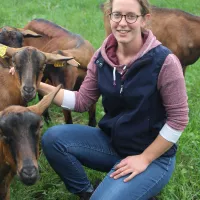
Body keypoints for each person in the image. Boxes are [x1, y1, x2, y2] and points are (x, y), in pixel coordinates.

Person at [38, 0, 189, 199]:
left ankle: (138, 184)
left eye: (131, 16)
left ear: (145, 20)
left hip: (154, 158)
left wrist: (144, 158)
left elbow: (178, 120)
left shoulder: (164, 62)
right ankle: (87, 192)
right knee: (53, 139)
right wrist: (35, 83)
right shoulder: (102, 57)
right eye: (117, 15)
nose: (122, 22)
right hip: (113, 144)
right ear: (110, 17)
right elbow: (82, 101)